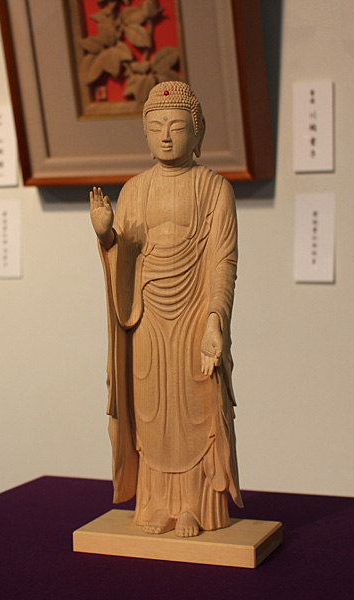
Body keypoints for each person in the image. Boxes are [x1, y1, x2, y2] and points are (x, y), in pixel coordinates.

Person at [89, 81, 242, 537]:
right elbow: (125, 260)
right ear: (145, 132)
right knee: (152, 410)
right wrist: (106, 237)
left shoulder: (215, 189)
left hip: (195, 310)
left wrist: (215, 320)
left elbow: (223, 261)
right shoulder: (134, 190)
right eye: (156, 127)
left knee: (197, 408)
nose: (166, 136)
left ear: (197, 131)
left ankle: (194, 505)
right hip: (147, 316)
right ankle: (157, 503)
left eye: (176, 126)